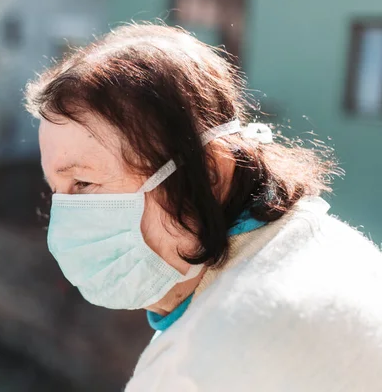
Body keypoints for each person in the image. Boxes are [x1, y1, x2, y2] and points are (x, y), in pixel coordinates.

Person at [24, 24, 382, 391]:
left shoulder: (218, 354)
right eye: (57, 191)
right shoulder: (327, 250)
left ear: (210, 172)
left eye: (83, 184)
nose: (63, 218)